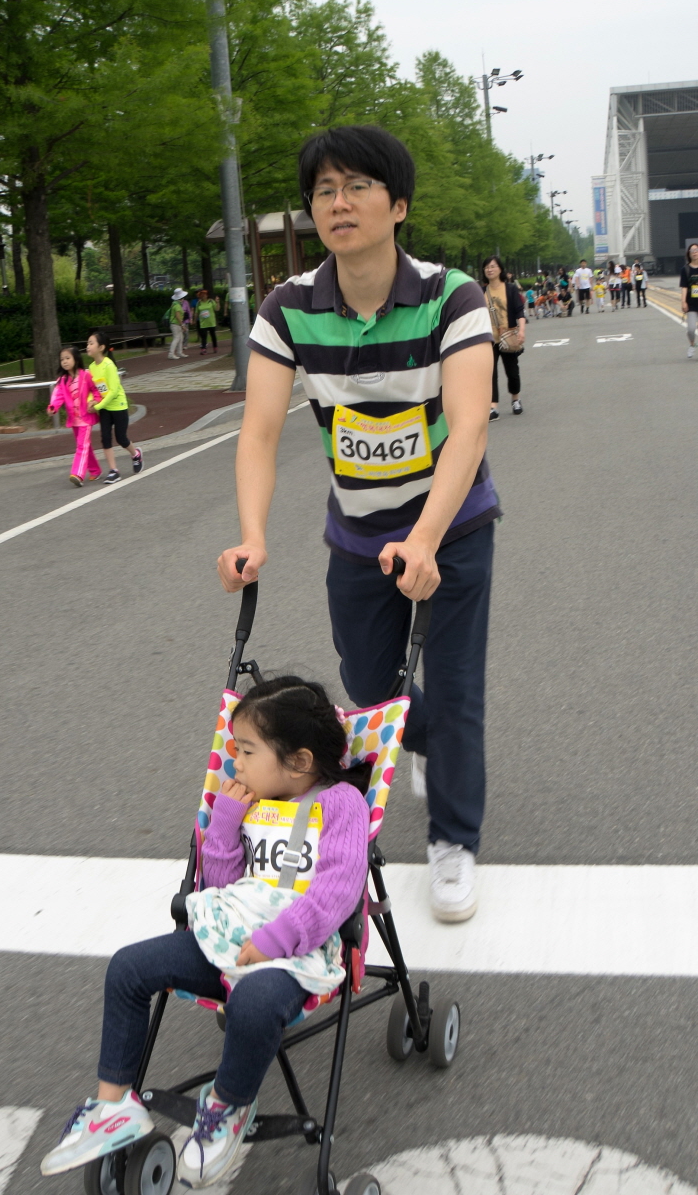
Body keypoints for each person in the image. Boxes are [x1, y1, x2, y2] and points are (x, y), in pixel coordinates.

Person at [218, 124, 498, 924]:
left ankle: (453, 840)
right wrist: (252, 534)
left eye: (358, 187)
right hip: (358, 535)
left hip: (453, 527)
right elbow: (259, 433)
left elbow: (468, 427)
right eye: (324, 191)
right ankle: (424, 741)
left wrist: (427, 538)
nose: (339, 204)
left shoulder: (453, 298)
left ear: (398, 204)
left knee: (455, 690)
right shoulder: (288, 309)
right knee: (373, 693)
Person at [39, 676, 370, 1189]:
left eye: (247, 751)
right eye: (235, 749)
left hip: (298, 949)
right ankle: (112, 1107)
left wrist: (276, 939)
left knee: (254, 1005)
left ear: (299, 761)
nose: (234, 762)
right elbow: (220, 889)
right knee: (128, 968)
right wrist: (225, 824)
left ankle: (228, 1107)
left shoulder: (340, 804)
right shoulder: (249, 799)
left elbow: (338, 890)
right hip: (231, 931)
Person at [86, 331, 143, 484]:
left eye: (91, 343)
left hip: (118, 406)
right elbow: (93, 389)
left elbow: (113, 391)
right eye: (87, 343)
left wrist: (98, 405)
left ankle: (136, 454)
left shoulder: (109, 365)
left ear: (101, 347)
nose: (88, 346)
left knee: (121, 438)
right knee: (105, 438)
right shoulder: (91, 367)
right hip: (104, 408)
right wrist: (91, 401)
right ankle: (113, 471)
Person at [47, 347, 102, 487]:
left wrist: (95, 401)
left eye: (67, 358)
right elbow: (57, 396)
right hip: (74, 419)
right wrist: (53, 407)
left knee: (82, 446)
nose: (64, 362)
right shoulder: (62, 380)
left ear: (76, 359)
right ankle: (95, 470)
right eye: (62, 359)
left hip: (86, 417)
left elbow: (97, 390)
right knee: (85, 446)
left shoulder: (86, 375)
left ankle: (77, 474)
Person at [482, 255, 526, 419]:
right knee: (490, 373)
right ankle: (493, 406)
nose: (490, 269)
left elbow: (519, 311)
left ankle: (516, 399)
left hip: (508, 336)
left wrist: (521, 331)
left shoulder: (510, 289)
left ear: (500, 268)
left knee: (512, 372)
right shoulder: (481, 291)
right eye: (487, 267)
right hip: (488, 339)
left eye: (493, 266)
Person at [680, 243, 698, 358]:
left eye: (696, 250)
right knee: (691, 329)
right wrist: (683, 302)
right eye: (692, 250)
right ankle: (692, 345)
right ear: (689, 254)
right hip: (691, 304)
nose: (695, 252)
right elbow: (684, 287)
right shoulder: (685, 269)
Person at [195, 289, 221, 354]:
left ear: (207, 295)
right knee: (203, 336)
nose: (203, 296)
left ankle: (215, 347)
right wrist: (194, 320)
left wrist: (217, 302)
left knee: (213, 335)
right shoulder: (199, 303)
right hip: (203, 323)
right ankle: (203, 348)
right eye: (201, 295)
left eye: (204, 295)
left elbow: (217, 309)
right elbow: (196, 312)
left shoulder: (211, 301)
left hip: (211, 322)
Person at [167, 287, 187, 359]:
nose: (183, 299)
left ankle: (179, 352)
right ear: (180, 298)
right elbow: (178, 316)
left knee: (180, 338)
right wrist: (182, 325)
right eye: (182, 298)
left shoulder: (174, 304)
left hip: (176, 324)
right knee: (176, 338)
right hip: (176, 324)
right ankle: (171, 354)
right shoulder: (177, 305)